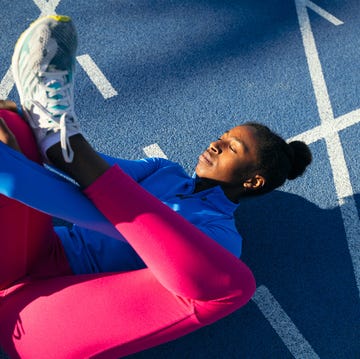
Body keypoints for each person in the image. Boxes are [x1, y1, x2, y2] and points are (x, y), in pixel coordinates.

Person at [0, 15, 311, 359]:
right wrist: (30, 153)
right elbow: (97, 172)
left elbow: (118, 223)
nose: (216, 144)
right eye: (222, 137)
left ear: (252, 181)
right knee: (17, 127)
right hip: (26, 255)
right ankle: (57, 145)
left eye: (232, 148)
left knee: (231, 284)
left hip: (46, 309)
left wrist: (26, 175)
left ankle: (58, 148)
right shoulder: (165, 171)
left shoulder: (221, 237)